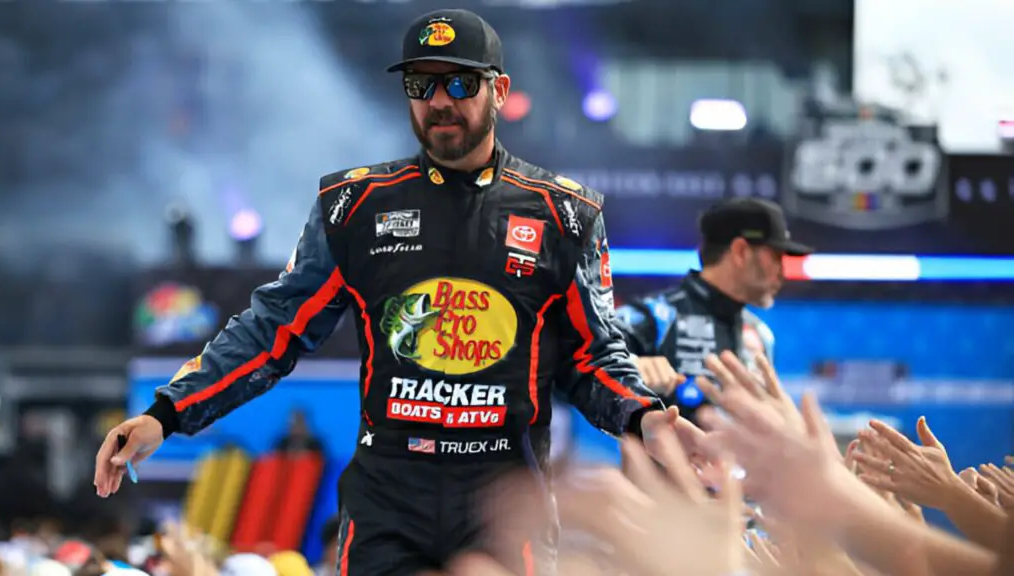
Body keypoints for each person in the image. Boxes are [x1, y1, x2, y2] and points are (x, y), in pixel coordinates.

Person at [94, 9, 666, 576]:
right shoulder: (355, 207)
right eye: (421, 84)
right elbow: (272, 331)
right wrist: (166, 413)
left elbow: (592, 356)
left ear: (500, 91)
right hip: (388, 501)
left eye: (460, 82)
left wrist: (646, 417)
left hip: (506, 500)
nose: (439, 100)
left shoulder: (565, 215)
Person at [615, 197, 812, 423]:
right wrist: (630, 365)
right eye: (776, 256)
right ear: (740, 251)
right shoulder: (656, 316)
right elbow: (576, 358)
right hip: (661, 458)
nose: (782, 273)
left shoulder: (761, 334)